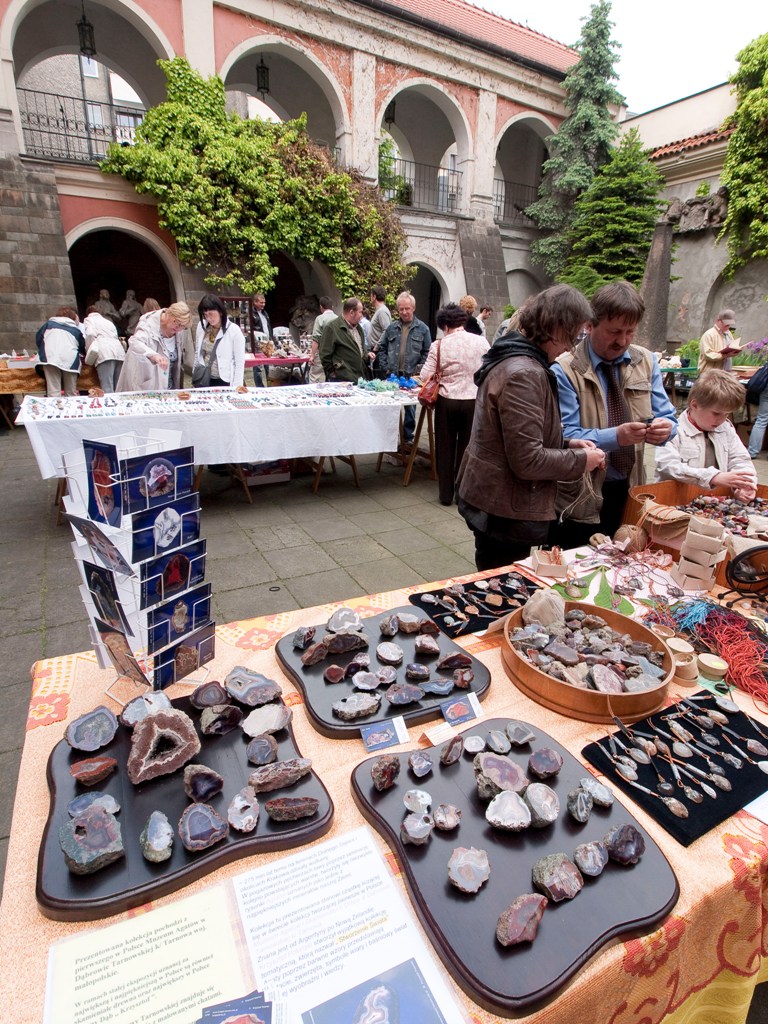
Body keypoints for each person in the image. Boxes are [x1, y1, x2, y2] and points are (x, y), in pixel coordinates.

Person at [456, 284, 605, 571]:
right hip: (504, 510)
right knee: (502, 592)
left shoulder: (515, 357)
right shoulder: (524, 373)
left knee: (497, 582)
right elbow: (527, 460)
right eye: (570, 337)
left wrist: (566, 444)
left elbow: (516, 436)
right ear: (554, 328)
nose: (569, 348)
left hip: (496, 501)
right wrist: (581, 461)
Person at [551, 280, 678, 546]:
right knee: (576, 568)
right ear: (589, 324)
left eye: (630, 332)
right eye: (614, 332)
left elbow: (668, 416)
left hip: (630, 488)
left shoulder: (646, 361)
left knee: (627, 565)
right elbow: (563, 435)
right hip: (580, 495)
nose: (622, 341)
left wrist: (667, 428)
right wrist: (616, 437)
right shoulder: (565, 369)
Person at [420, 303, 489, 505]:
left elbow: (425, 375)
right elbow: (489, 370)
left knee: (445, 448)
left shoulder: (439, 345)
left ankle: (445, 495)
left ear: (444, 325)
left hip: (447, 401)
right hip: (473, 401)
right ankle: (463, 493)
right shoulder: (482, 342)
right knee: (467, 448)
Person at [655, 369, 756, 500]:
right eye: (716, 413)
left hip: (714, 501)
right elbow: (668, 466)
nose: (722, 420)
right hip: (675, 500)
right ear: (695, 405)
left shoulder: (726, 428)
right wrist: (713, 477)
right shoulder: (672, 431)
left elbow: (740, 459)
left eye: (727, 414)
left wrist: (744, 485)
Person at [378, 291, 433, 442]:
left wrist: (418, 371)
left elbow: (427, 352)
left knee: (410, 409)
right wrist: (385, 368)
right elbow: (381, 348)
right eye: (401, 309)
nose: (404, 312)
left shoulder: (423, 329)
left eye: (407, 308)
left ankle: (407, 437)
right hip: (393, 374)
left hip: (411, 376)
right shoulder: (391, 328)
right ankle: (390, 438)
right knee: (391, 407)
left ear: (413, 308)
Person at [116, 301, 192, 392]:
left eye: (183, 326)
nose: (178, 328)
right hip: (149, 386)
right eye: (177, 322)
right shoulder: (148, 324)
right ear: (169, 314)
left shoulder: (179, 331)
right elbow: (135, 341)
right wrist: (154, 355)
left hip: (170, 387)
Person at [193, 294, 246, 387]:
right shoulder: (201, 327)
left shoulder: (234, 330)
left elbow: (239, 361)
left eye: (211, 314)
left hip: (224, 378)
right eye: (205, 315)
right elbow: (198, 352)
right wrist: (195, 374)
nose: (209, 318)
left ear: (220, 311)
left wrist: (238, 386)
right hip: (204, 376)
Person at [35, 306, 85, 397]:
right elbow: (82, 347)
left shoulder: (47, 325)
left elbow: (39, 339)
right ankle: (71, 410)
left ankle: (55, 410)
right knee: (71, 392)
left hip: (50, 358)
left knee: (53, 391)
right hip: (70, 360)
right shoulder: (76, 330)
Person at [319, 297, 368, 382]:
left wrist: (367, 354)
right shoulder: (332, 327)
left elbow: (361, 348)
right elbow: (324, 355)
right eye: (360, 312)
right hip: (342, 380)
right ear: (352, 313)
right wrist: (332, 373)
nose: (361, 315)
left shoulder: (359, 328)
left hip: (359, 379)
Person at [82, 305, 126, 393]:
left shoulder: (89, 319)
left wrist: (90, 349)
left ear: (88, 313)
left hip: (104, 351)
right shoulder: (108, 321)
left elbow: (90, 334)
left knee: (107, 386)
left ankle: (110, 405)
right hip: (119, 351)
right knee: (118, 387)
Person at [309, 296, 335, 383]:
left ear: (321, 307)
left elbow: (316, 338)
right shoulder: (338, 318)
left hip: (322, 352)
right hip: (335, 353)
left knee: (315, 376)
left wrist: (312, 355)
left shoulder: (320, 319)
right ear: (332, 307)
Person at [368, 286, 391, 377]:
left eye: (371, 295)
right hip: (376, 351)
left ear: (374, 296)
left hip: (378, 351)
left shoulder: (382, 311)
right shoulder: (380, 311)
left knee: (379, 377)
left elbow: (387, 330)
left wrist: (377, 347)